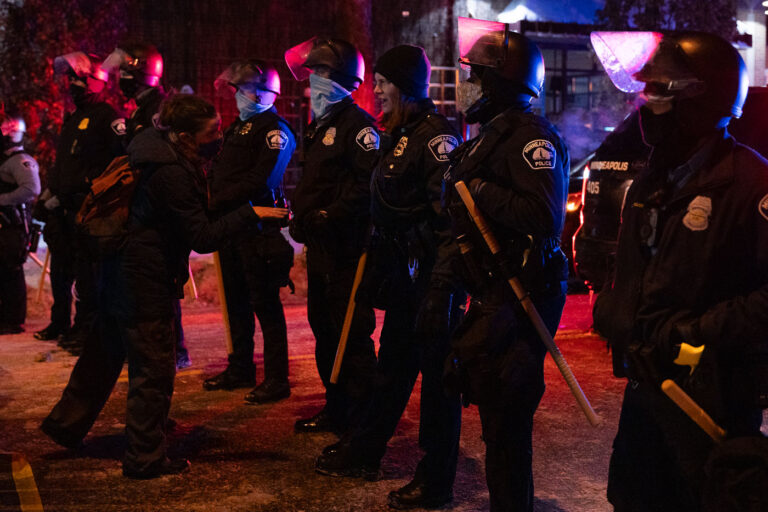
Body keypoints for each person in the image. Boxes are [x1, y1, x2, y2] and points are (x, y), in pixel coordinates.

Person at [40, 94, 288, 479]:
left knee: (103, 355)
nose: (218, 138)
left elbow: (187, 212)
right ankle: (145, 456)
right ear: (187, 135)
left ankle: (66, 424)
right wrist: (250, 213)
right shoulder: (170, 171)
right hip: (145, 281)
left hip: (119, 271)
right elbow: (202, 236)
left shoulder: (149, 149)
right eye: (212, 132)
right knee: (153, 368)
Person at [591, 31, 767, 511]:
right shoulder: (655, 178)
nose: (645, 104)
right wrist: (615, 310)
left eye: (657, 92)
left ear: (699, 99)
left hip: (713, 396)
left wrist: (697, 332)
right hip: (648, 386)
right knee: (632, 498)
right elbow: (644, 268)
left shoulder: (752, 184)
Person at [314, 45, 464, 510]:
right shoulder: (398, 133)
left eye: (384, 80)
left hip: (431, 281)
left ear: (406, 86)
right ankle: (366, 450)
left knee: (439, 386)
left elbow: (446, 222)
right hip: (403, 277)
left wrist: (440, 287)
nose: (375, 88)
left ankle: (436, 476)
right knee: (392, 370)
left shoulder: (436, 138)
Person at [443, 18, 569, 511]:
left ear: (503, 80)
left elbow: (544, 217)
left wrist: (480, 191)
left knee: (509, 419)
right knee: (493, 413)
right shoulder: (491, 133)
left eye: (480, 76)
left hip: (524, 293)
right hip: (494, 290)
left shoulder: (528, 136)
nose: (472, 84)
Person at [284, 37, 378, 434]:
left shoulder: (359, 128)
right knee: (324, 330)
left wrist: (329, 214)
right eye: (312, 74)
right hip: (322, 248)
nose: (313, 82)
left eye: (321, 73)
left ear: (342, 78)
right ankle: (336, 407)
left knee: (350, 335)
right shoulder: (319, 124)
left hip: (348, 250)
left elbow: (365, 185)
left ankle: (362, 419)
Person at [203, 59, 296, 403]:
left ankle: (277, 378)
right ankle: (240, 367)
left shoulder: (275, 130)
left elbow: (261, 180)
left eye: (241, 90)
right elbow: (219, 170)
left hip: (258, 228)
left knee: (265, 305)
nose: (236, 96)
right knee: (236, 303)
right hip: (230, 227)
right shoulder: (237, 128)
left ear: (261, 92)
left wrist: (216, 199)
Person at [101, 41, 191, 370]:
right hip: (142, 208)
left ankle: (175, 349)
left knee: (164, 283)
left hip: (159, 211)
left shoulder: (160, 107)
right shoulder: (140, 108)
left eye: (127, 73)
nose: (122, 79)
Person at [34, 51, 125, 352]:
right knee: (62, 271)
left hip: (87, 210)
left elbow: (115, 164)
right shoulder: (74, 118)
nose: (71, 84)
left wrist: (89, 190)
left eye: (76, 78)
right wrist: (49, 193)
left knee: (88, 277)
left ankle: (87, 329)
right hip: (63, 209)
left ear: (94, 81)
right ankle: (62, 322)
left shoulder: (107, 117)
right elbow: (64, 165)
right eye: (69, 78)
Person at [0, 110, 41, 334]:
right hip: (4, 226)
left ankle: (13, 319)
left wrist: (2, 200)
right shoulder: (6, 160)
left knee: (11, 270)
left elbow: (32, 189)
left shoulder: (20, 161)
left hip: (13, 226)